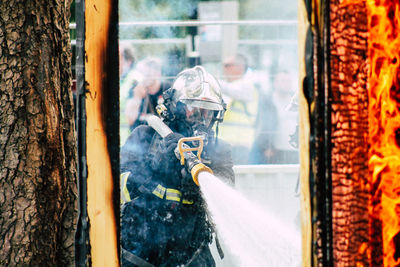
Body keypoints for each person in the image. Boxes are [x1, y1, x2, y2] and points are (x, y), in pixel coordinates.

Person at [120, 66, 235, 266]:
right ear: (175, 108)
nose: (202, 121)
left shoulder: (219, 150)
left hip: (191, 253)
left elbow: (226, 204)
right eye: (194, 112)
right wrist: (155, 166)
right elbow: (116, 190)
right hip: (139, 251)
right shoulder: (145, 137)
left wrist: (196, 189)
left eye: (208, 114)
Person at [217, 53, 258, 164]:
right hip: (222, 144)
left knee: (237, 178)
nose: (224, 68)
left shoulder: (247, 86)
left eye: (227, 65)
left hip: (239, 145)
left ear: (239, 68)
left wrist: (210, 80)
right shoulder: (227, 88)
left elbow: (231, 90)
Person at [123, 57, 171, 132]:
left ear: (158, 73)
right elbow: (130, 120)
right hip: (140, 138)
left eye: (149, 73)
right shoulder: (135, 89)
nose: (145, 77)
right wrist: (137, 97)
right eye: (143, 73)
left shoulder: (167, 89)